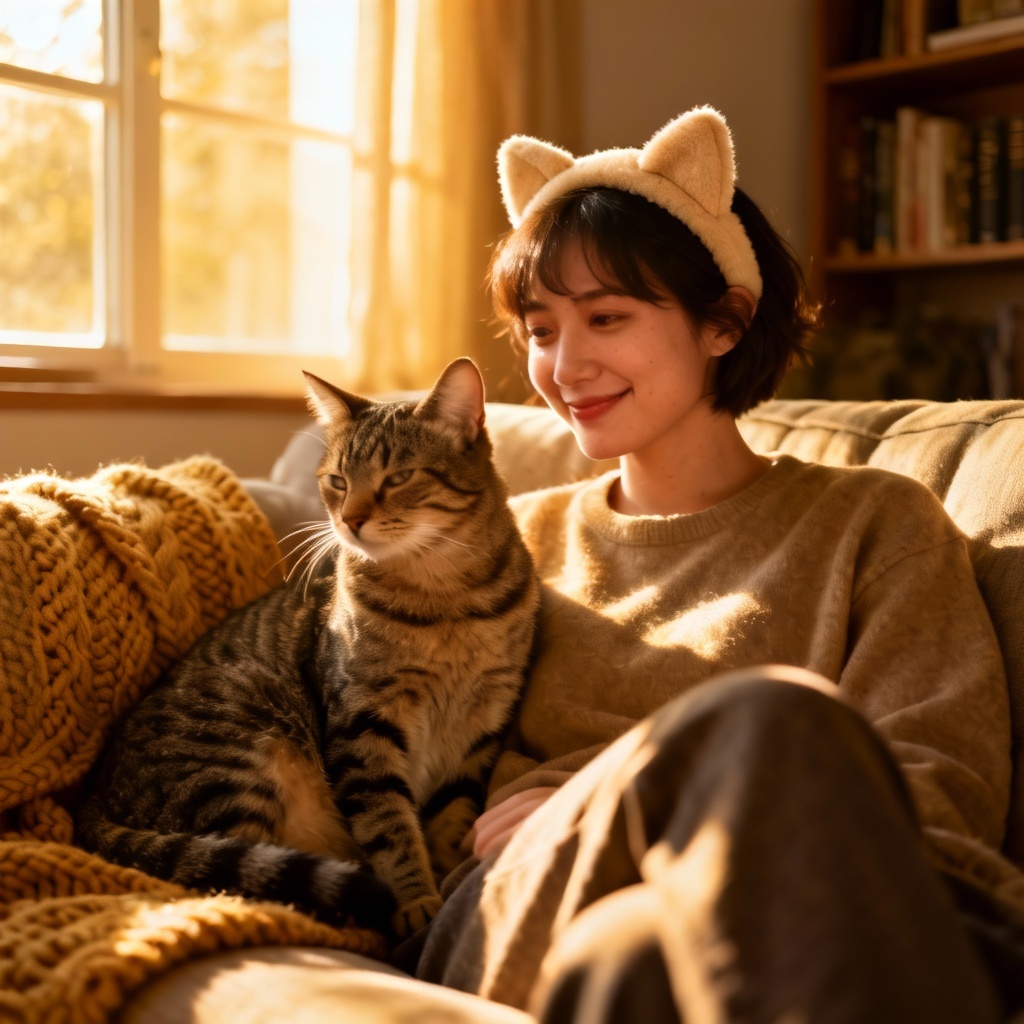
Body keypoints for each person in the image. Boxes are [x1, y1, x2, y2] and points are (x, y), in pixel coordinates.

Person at [397, 106, 1024, 1022]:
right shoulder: (496, 546)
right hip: (520, 898)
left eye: (606, 317)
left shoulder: (875, 522)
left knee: (642, 952)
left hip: (800, 905)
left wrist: (651, 802)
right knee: (767, 714)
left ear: (723, 323)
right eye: (539, 330)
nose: (564, 366)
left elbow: (940, 790)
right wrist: (601, 810)